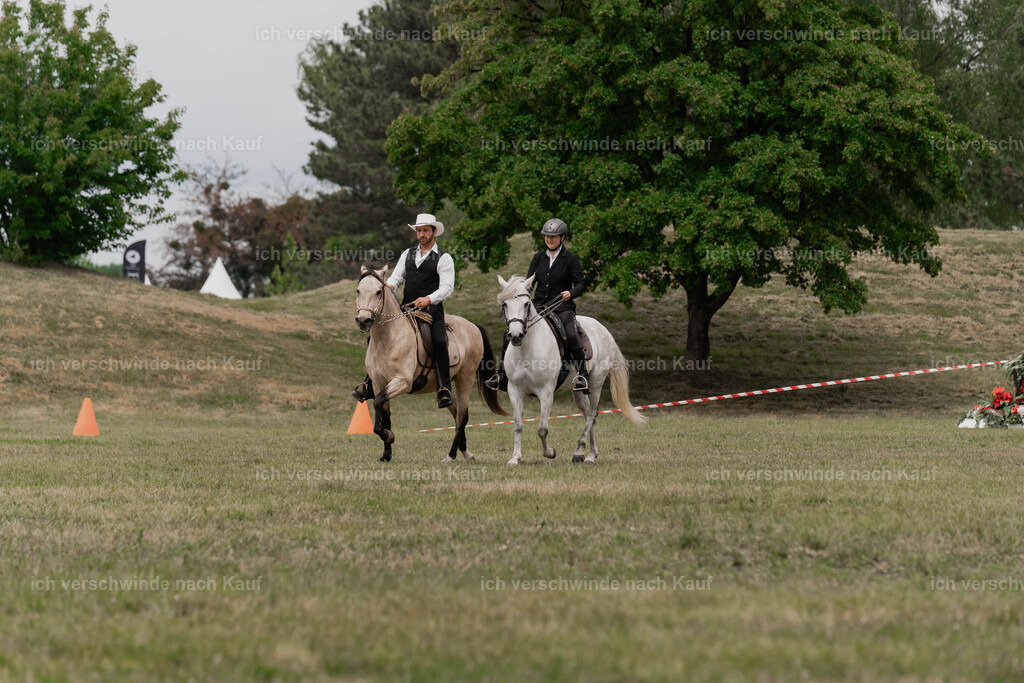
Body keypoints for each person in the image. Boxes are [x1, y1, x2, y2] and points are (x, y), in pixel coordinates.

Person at [352, 213, 456, 409]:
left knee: (439, 340)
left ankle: (444, 387)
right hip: (406, 309)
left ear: (434, 231)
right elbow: (397, 278)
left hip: (431, 310)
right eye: (419, 231)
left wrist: (428, 299)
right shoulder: (408, 254)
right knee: (374, 337)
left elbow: (447, 287)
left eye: (426, 230)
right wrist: (388, 286)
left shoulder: (444, 258)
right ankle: (369, 383)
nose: (422, 234)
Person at [486, 217, 589, 393]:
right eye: (547, 236)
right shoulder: (538, 258)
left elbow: (580, 284)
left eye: (553, 236)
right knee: (508, 332)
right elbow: (529, 283)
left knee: (571, 334)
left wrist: (571, 293)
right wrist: (520, 292)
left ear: (562, 237)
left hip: (562, 307)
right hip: (539, 306)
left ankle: (582, 374)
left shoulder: (571, 259)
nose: (549, 239)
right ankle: (502, 375)